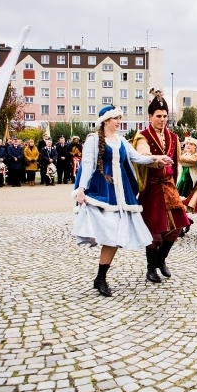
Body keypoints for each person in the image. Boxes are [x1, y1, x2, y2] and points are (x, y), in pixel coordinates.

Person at [73, 105, 171, 297]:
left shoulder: (121, 140)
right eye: (115, 118)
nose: (119, 121)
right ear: (105, 121)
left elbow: (138, 158)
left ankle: (100, 278)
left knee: (115, 239)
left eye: (120, 118)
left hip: (121, 195)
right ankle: (100, 279)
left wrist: (158, 159)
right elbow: (87, 166)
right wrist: (81, 190)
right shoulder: (93, 140)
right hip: (103, 192)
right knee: (111, 237)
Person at [132, 90, 192, 281]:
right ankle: (151, 268)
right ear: (150, 116)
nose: (163, 119)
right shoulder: (142, 136)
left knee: (177, 226)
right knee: (154, 231)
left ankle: (161, 260)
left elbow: (177, 161)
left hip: (168, 186)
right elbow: (143, 155)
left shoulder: (174, 137)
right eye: (159, 116)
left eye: (165, 116)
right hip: (151, 187)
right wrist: (156, 159)